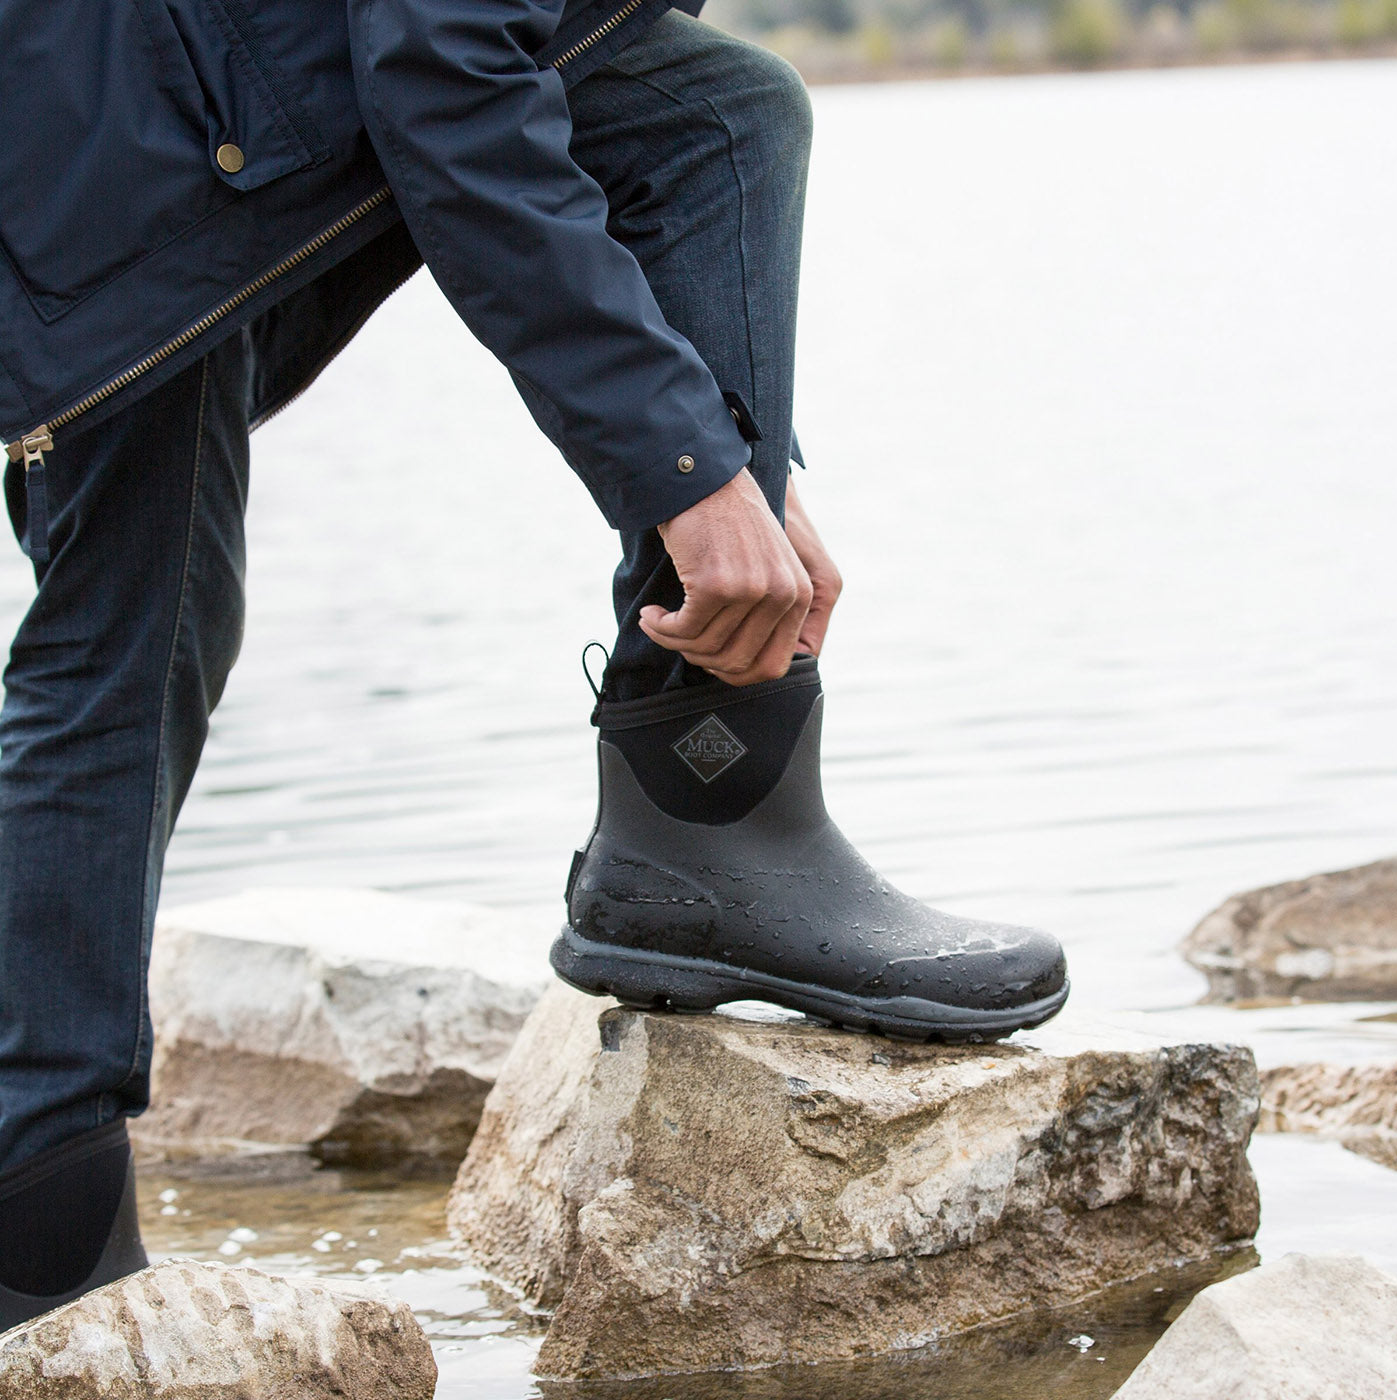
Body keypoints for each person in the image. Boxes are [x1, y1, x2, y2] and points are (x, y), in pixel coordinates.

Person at [0, 0, 1068, 1330]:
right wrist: (688, 472)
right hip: (111, 126)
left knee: (715, 115)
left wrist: (738, 462)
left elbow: (542, 61)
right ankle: (39, 1234)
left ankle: (705, 819)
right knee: (129, 630)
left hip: (221, 81)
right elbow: (447, 76)